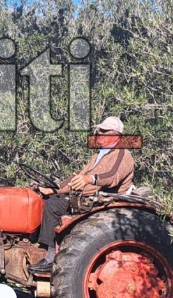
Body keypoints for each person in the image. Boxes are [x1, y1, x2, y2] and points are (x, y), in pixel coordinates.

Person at [28, 116, 135, 273]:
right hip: (85, 197)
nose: (99, 134)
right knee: (48, 198)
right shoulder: (98, 155)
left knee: (54, 205)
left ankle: (50, 258)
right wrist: (54, 189)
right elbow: (77, 178)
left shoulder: (123, 154)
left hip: (103, 200)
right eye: (100, 130)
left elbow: (113, 176)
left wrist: (90, 179)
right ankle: (34, 241)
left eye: (104, 131)